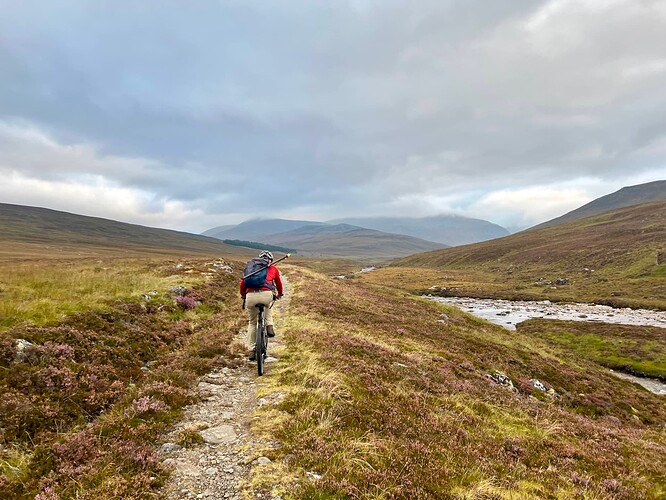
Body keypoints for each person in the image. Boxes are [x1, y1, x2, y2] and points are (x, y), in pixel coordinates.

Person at [240, 250, 283, 361]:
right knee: (268, 305)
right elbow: (278, 283)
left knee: (252, 323)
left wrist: (243, 296)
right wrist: (279, 294)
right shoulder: (273, 269)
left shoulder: (251, 268)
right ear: (270, 260)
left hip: (250, 296)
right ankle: (269, 326)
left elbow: (242, 283)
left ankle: (251, 350)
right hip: (266, 294)